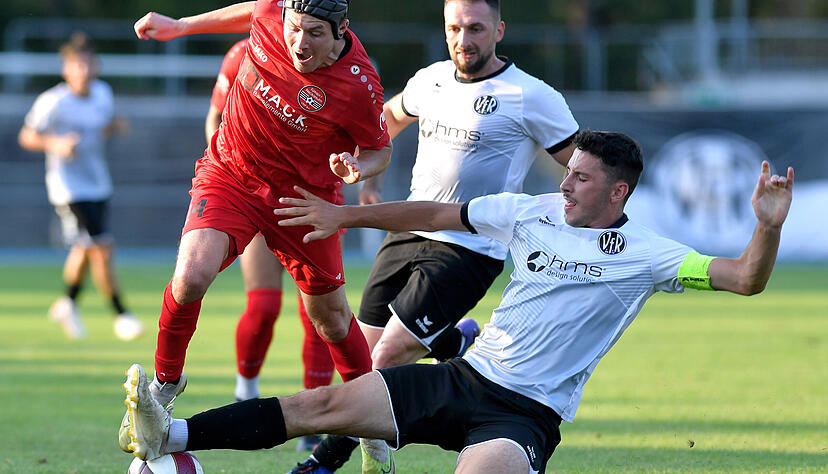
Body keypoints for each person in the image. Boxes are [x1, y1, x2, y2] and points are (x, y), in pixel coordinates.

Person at [121, 130, 795, 473]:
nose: (566, 187)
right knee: (323, 405)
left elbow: (744, 278)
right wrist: (341, 218)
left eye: (582, 180)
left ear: (618, 192)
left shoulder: (650, 253)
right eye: (568, 174)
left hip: (525, 414)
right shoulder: (531, 210)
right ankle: (170, 439)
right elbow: (438, 215)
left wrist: (765, 227)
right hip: (463, 376)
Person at [298, 0, 579, 469]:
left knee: (385, 358)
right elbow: (385, 121)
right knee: (359, 362)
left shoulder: (531, 95)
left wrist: (565, 225)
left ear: (499, 30)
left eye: (475, 29)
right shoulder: (429, 78)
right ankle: (451, 344)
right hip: (405, 230)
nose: (463, 40)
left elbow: (579, 164)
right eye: (455, 28)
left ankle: (321, 462)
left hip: (471, 246)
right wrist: (369, 174)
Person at [120, 0, 393, 467]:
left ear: (341, 31)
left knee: (329, 318)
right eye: (294, 28)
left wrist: (356, 168)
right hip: (233, 174)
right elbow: (254, 10)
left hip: (302, 200)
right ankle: (162, 390)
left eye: (314, 34)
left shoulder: (360, 83)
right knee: (190, 276)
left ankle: (372, 423)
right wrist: (181, 26)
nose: (299, 43)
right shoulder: (269, 17)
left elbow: (379, 149)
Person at [206, 37, 336, 451]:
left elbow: (365, 137)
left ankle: (315, 414)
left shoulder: (344, 66)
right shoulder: (243, 53)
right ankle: (245, 391)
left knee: (319, 314)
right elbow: (215, 119)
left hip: (313, 203)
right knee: (263, 307)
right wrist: (233, 176)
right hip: (257, 198)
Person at [18, 31, 145, 341]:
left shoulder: (103, 93)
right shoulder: (53, 102)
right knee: (102, 246)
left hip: (98, 183)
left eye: (89, 64)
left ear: (97, 66)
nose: (84, 71)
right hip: (68, 187)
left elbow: (104, 127)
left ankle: (67, 303)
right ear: (66, 69)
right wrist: (56, 143)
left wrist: (115, 127)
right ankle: (121, 314)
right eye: (77, 65)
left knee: (85, 247)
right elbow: (27, 136)